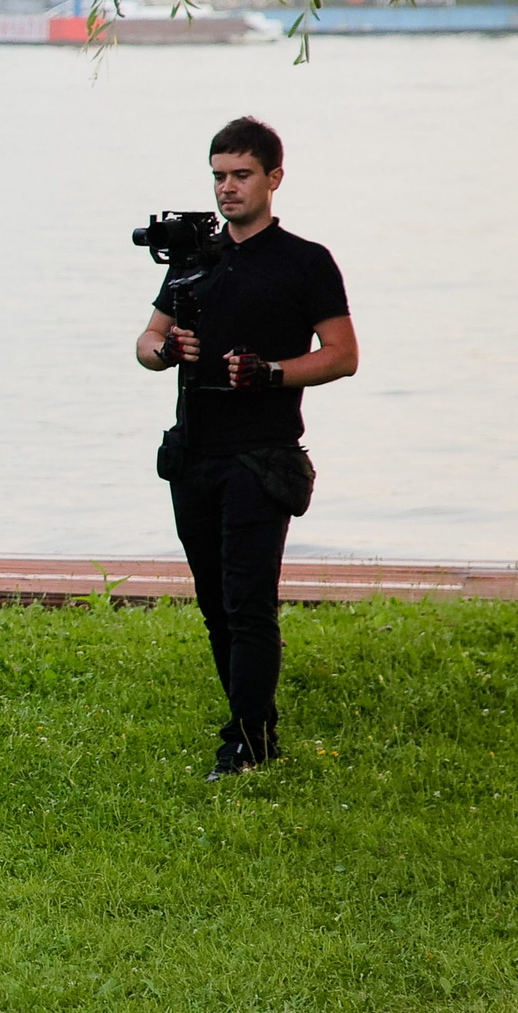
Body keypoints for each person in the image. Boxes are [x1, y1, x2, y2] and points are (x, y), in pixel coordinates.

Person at [134, 117, 358, 780]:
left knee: (248, 600)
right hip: (193, 455)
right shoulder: (193, 258)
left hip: (261, 459)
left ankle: (247, 742)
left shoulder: (306, 262)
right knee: (213, 603)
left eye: (241, 175)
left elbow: (343, 355)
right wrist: (168, 348)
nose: (227, 188)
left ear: (273, 179)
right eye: (218, 176)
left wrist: (270, 372)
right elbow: (146, 342)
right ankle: (250, 728)